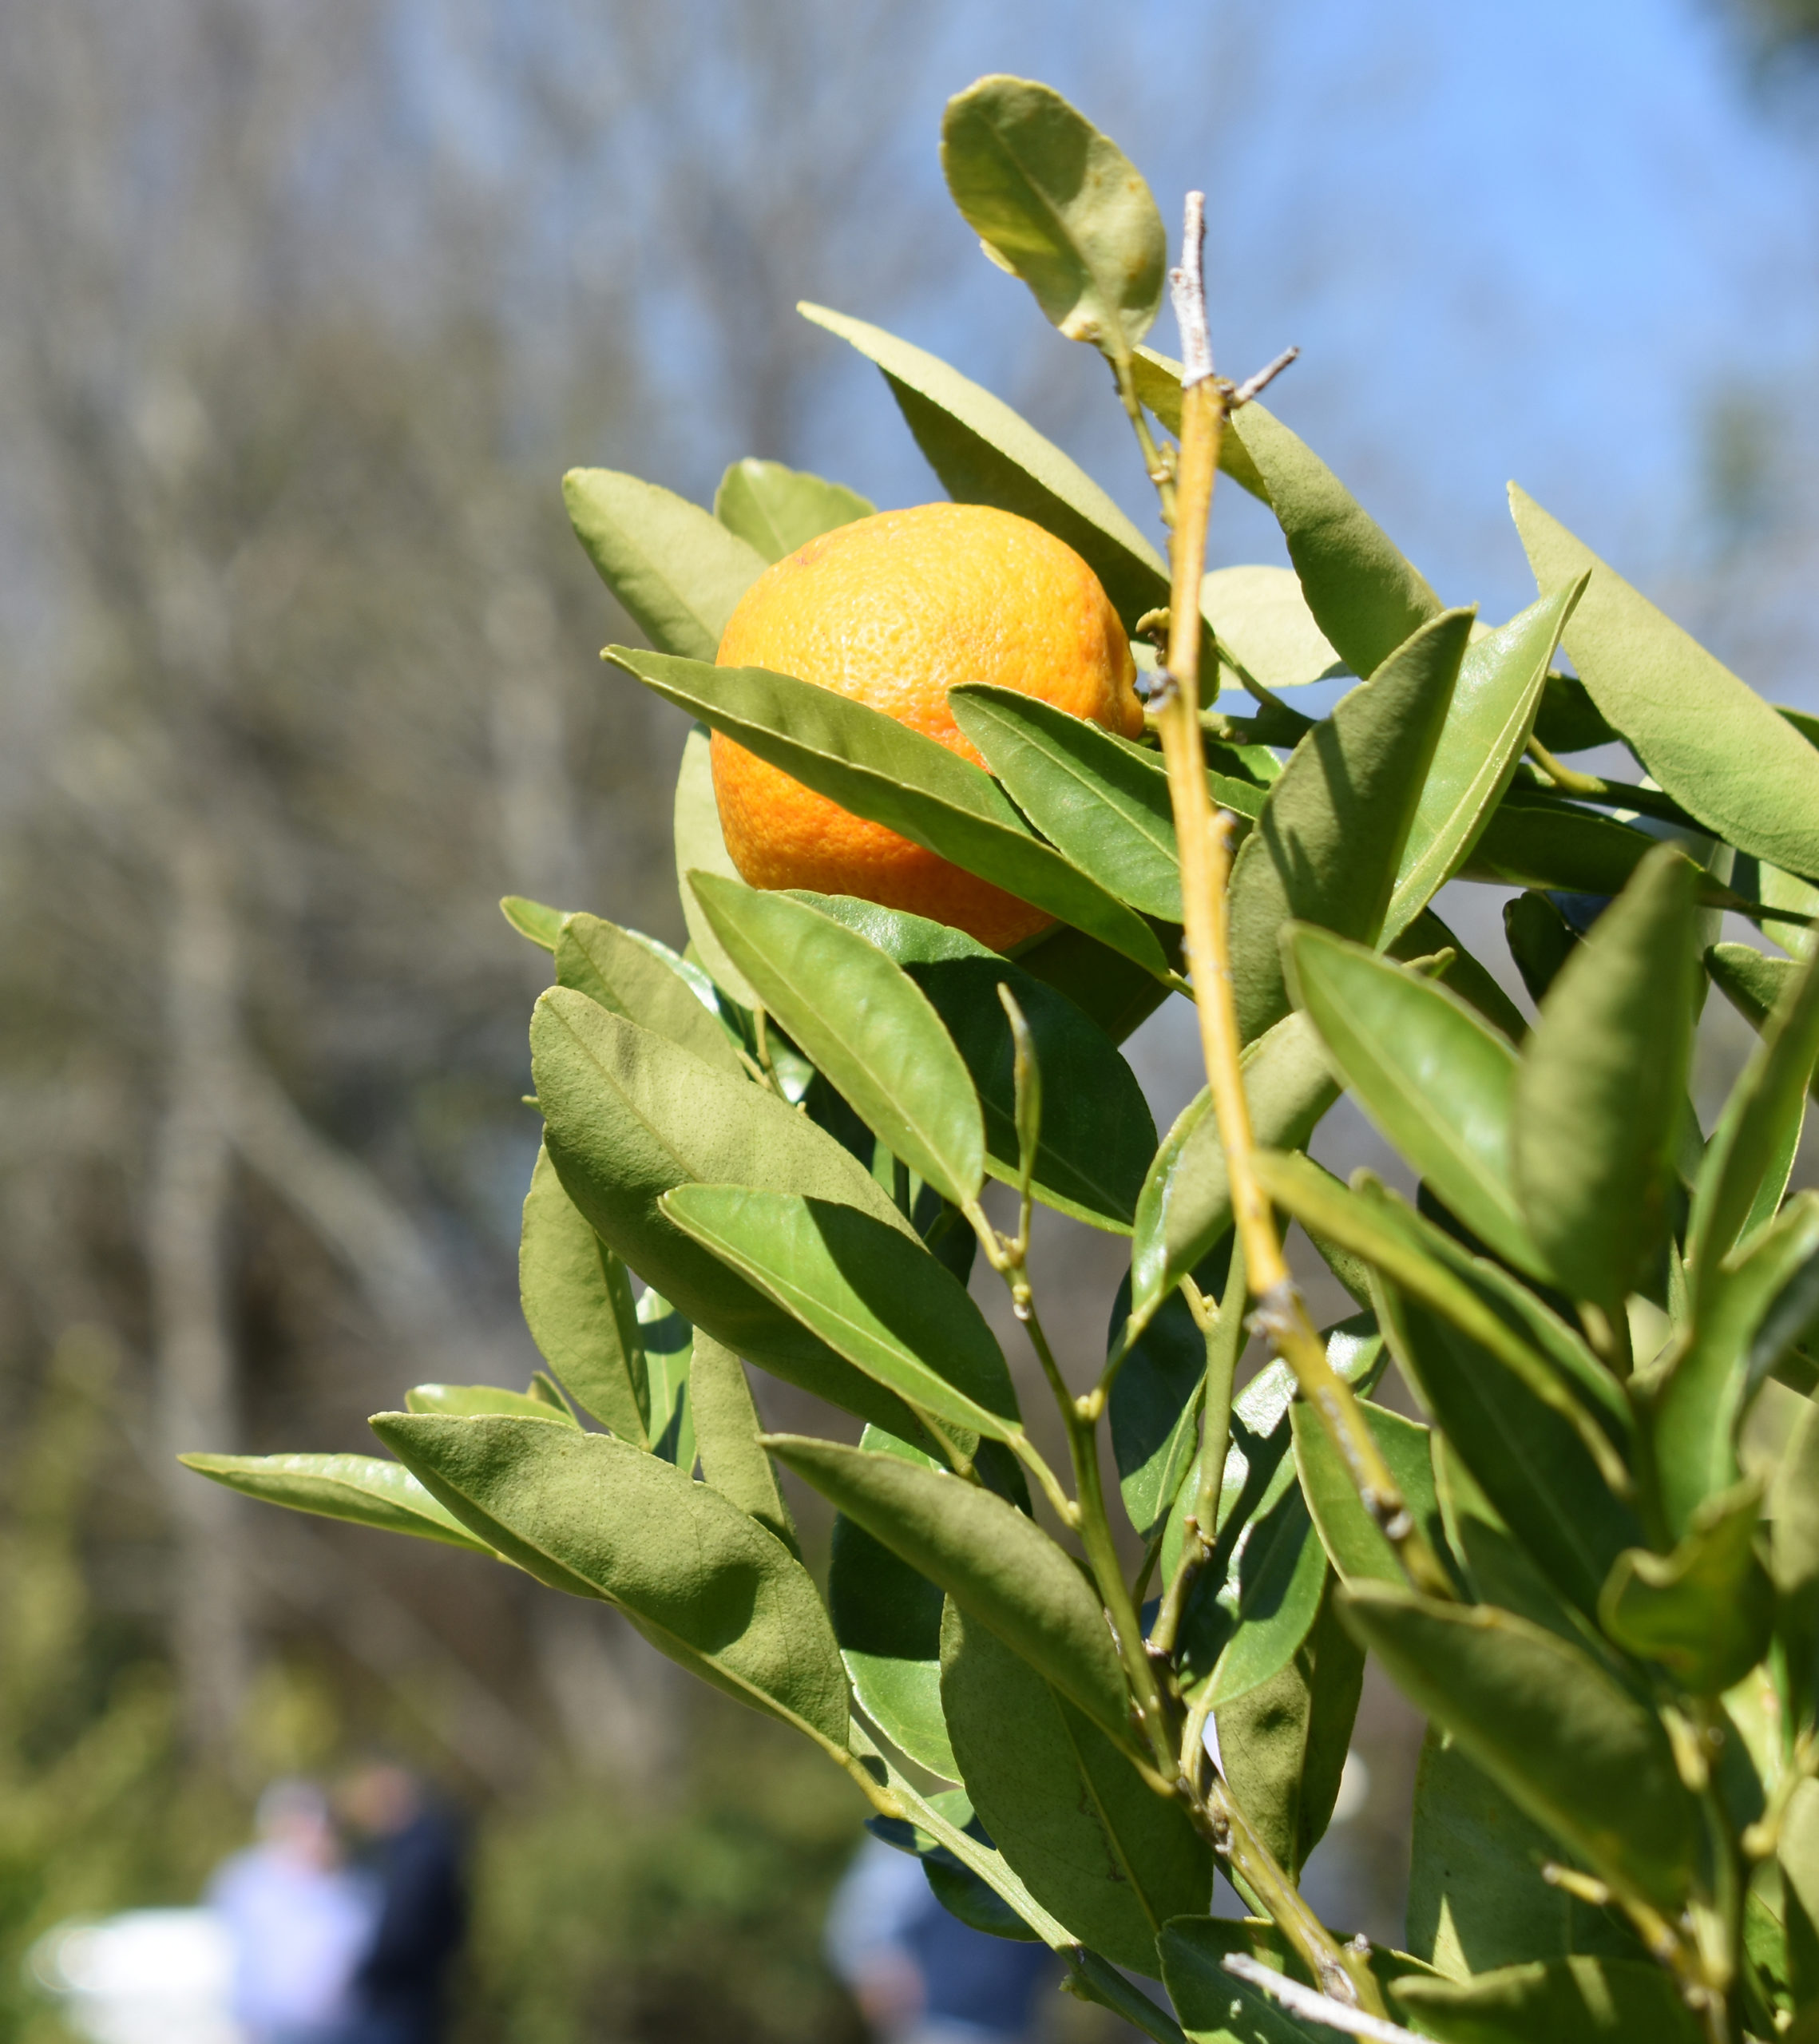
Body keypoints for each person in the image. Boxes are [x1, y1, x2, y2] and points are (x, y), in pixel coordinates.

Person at [825, 1835, 1056, 2044]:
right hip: (937, 2027)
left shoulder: (1029, 1838)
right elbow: (867, 1932)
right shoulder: (921, 1834)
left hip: (1015, 2026)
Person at [208, 1778, 378, 2044]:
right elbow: (231, 1953)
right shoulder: (247, 1882)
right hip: (271, 2028)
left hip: (345, 2027)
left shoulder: (353, 1887)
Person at [336, 1762, 467, 2044]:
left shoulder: (419, 1854)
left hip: (400, 2001)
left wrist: (362, 1975)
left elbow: (402, 1932)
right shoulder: (404, 1850)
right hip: (403, 1999)